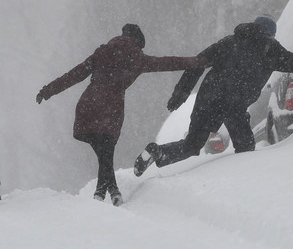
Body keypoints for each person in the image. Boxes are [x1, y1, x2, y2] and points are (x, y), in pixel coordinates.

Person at [36, 24, 207, 206]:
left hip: (89, 105)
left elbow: (74, 74)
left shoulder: (102, 52)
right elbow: (168, 62)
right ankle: (103, 195)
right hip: (111, 110)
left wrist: (47, 91)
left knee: (104, 155)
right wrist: (198, 61)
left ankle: (109, 192)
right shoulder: (137, 58)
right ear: (138, 42)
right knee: (106, 153)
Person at [133, 15, 293, 176]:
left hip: (208, 97)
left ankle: (158, 152)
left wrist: (181, 93)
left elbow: (197, 63)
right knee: (245, 146)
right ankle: (239, 182)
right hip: (234, 105)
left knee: (192, 145)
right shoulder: (270, 48)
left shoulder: (228, 42)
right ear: (271, 33)